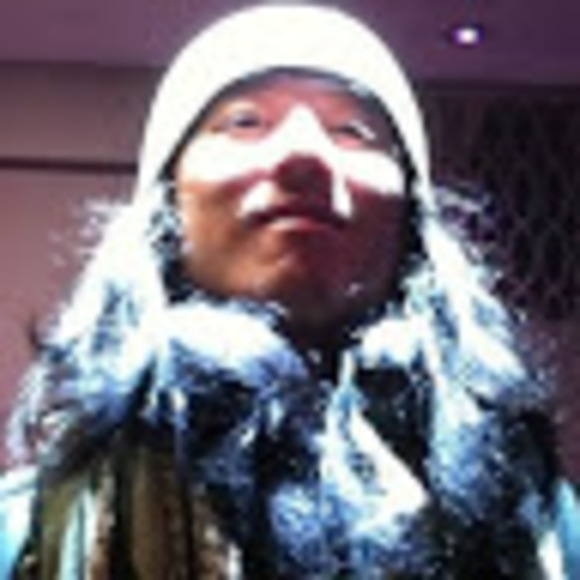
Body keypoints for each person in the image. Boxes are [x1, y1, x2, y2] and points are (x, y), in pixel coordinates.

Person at [1, 4, 579, 578]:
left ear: (412, 228)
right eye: (244, 122)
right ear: (166, 205)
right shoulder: (24, 535)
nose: (305, 153)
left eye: (353, 131)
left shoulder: (546, 534)